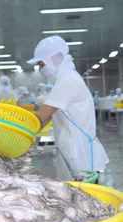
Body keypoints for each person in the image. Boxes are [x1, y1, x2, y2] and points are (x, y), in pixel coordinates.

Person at [28, 36, 109, 177]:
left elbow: (41, 117)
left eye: (42, 64)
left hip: (80, 154)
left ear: (53, 59)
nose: (41, 69)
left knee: (85, 196)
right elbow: (46, 117)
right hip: (74, 148)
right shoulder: (66, 78)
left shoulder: (67, 81)